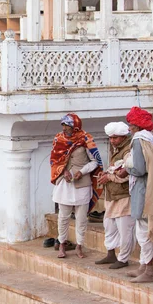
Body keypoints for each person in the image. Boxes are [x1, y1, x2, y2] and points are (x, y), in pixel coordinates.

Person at [117, 106, 153, 283]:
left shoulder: (138, 140)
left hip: (143, 191)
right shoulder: (150, 139)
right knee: (143, 229)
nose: (129, 127)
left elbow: (140, 169)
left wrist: (125, 169)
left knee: (144, 231)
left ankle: (149, 271)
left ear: (136, 125)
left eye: (131, 124)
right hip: (147, 188)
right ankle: (143, 266)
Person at [50, 113, 103, 259]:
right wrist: (63, 171)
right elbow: (54, 162)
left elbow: (95, 162)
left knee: (81, 218)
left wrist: (82, 171)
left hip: (82, 184)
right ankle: (62, 244)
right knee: (63, 217)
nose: (65, 128)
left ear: (75, 127)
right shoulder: (58, 139)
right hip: (65, 184)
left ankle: (79, 245)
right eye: (64, 125)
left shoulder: (86, 139)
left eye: (68, 126)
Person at [95, 122, 136, 269]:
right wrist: (106, 174)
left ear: (123, 136)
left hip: (124, 196)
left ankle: (123, 258)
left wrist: (109, 177)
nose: (112, 140)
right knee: (109, 225)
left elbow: (127, 173)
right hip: (112, 195)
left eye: (115, 138)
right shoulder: (117, 149)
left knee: (125, 229)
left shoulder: (128, 151)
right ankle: (111, 254)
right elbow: (115, 169)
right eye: (111, 138)